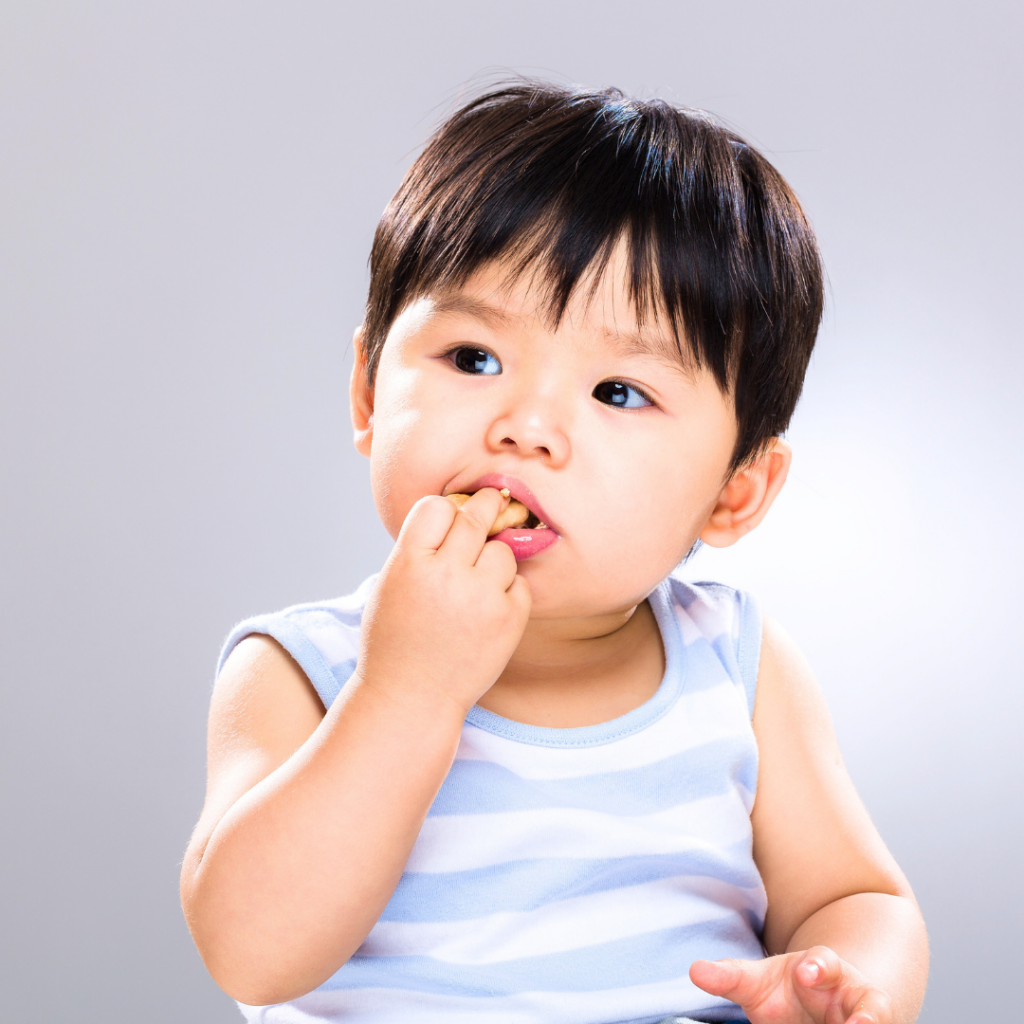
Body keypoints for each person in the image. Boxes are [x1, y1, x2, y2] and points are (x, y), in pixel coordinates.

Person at [180, 81, 928, 1024]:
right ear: (369, 395)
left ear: (735, 490)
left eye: (618, 391)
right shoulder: (303, 668)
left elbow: (857, 900)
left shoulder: (733, 664)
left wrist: (845, 984)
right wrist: (408, 690)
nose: (526, 428)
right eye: (474, 359)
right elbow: (252, 954)